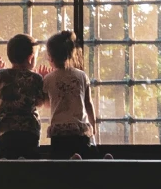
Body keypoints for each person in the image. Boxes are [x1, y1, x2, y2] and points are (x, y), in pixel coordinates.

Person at [39, 30, 112, 160]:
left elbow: (46, 103)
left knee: (59, 157)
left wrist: (43, 79)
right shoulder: (81, 75)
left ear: (50, 57)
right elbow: (88, 103)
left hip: (59, 131)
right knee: (88, 152)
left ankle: (72, 159)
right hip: (79, 129)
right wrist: (93, 126)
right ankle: (100, 160)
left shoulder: (49, 79)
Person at [0, 33, 45, 160]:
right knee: (30, 157)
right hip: (29, 130)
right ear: (30, 58)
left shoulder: (0, 75)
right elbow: (40, 102)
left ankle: (6, 161)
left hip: (5, 129)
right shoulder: (35, 78)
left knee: (7, 154)